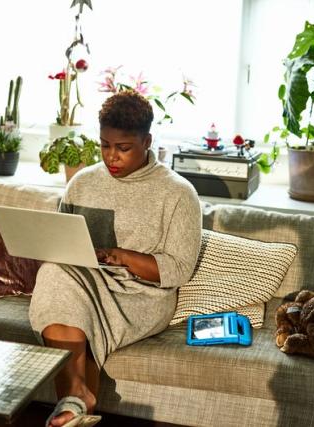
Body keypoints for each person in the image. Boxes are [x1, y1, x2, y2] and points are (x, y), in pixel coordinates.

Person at [29, 90, 202, 427]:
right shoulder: (82, 181)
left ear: (147, 140)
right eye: (104, 145)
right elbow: (61, 238)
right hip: (86, 281)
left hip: (142, 296)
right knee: (53, 273)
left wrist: (122, 257)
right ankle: (76, 403)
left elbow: (179, 269)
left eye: (123, 148)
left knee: (70, 301)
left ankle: (76, 400)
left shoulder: (179, 193)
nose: (112, 157)